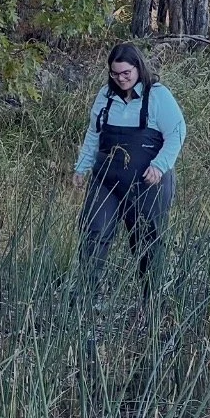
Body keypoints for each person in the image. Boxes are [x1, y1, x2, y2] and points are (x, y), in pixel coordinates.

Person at [72, 43, 187, 298]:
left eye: (126, 73)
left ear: (138, 67)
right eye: (115, 74)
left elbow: (177, 133)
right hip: (106, 180)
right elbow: (94, 133)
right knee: (94, 232)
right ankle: (86, 297)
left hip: (146, 183)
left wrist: (160, 166)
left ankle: (150, 302)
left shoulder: (157, 95)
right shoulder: (105, 96)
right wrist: (82, 167)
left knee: (147, 243)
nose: (121, 79)